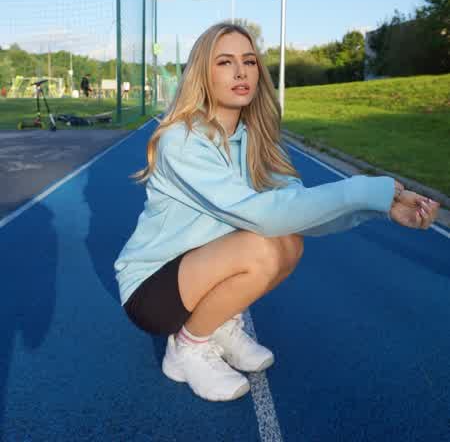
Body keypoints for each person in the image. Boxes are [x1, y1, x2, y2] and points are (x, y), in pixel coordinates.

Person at [114, 22, 439, 402]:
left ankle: (217, 324)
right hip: (152, 289)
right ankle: (187, 349)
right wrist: (362, 188)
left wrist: (381, 205)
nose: (241, 72)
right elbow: (262, 214)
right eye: (225, 62)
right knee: (262, 247)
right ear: (202, 74)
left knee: (289, 240)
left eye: (249, 61)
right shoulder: (182, 140)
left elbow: (300, 212)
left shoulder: (254, 142)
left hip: (198, 271)